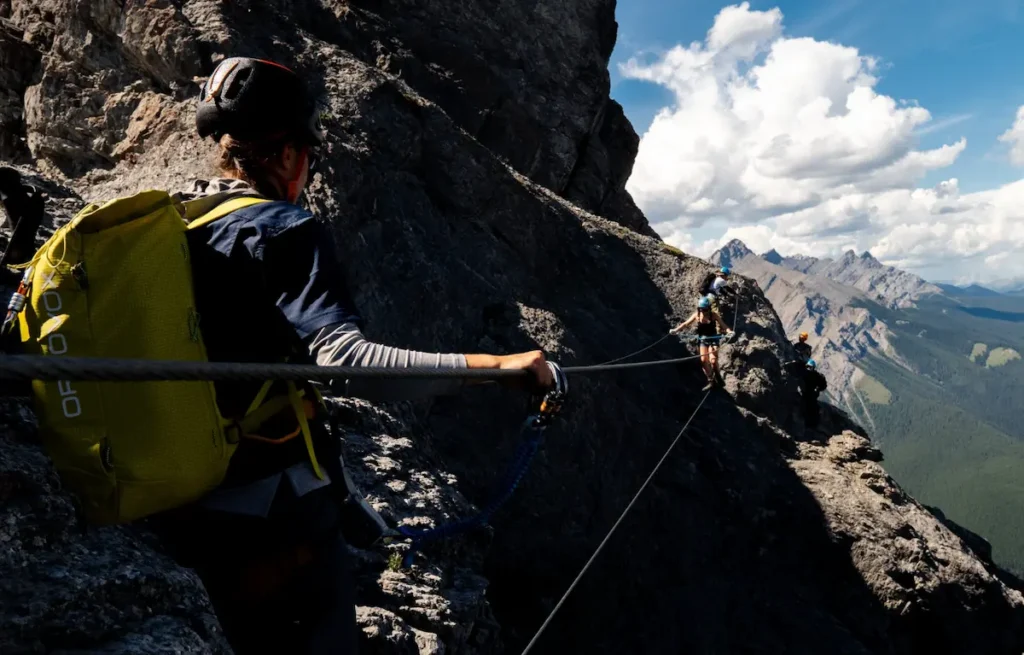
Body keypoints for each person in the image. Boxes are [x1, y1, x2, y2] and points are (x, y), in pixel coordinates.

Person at [149, 57, 554, 655]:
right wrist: (496, 368)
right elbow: (348, 361)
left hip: (176, 496)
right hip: (271, 514)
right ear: (288, 154)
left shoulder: (176, 220)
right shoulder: (282, 228)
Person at [670, 295, 734, 390]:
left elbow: (724, 326)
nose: (704, 311)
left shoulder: (714, 315)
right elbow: (685, 324)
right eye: (702, 309)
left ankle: (718, 375)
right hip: (703, 340)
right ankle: (711, 381)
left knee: (713, 360)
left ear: (709, 308)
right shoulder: (697, 315)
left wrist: (729, 332)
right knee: (704, 361)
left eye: (705, 309)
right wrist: (675, 330)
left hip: (713, 339)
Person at [798, 359, 828, 430]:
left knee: (812, 409)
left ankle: (811, 425)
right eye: (808, 367)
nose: (808, 368)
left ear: (813, 368)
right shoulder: (803, 373)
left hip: (811, 395)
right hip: (804, 393)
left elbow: (823, 385)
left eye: (810, 367)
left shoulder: (817, 376)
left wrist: (818, 389)